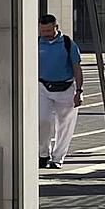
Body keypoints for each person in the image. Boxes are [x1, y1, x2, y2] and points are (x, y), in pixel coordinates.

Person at [37, 13, 82, 170]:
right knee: (42, 122)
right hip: (43, 87)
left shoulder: (68, 43)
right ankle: (43, 154)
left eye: (49, 31)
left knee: (65, 125)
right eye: (43, 31)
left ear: (56, 27)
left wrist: (79, 90)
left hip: (66, 88)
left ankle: (58, 158)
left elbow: (77, 68)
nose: (46, 34)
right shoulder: (36, 43)